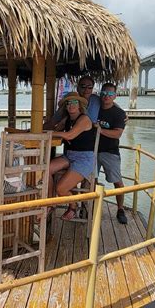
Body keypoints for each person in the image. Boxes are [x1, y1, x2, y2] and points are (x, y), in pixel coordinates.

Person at [48, 92, 96, 221]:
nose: (71, 105)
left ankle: (73, 207)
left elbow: (69, 135)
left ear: (80, 105)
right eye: (68, 103)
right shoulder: (67, 119)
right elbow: (56, 128)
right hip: (69, 155)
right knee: (46, 169)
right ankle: (50, 202)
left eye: (74, 103)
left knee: (61, 189)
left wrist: (53, 133)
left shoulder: (84, 119)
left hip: (84, 158)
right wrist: (48, 129)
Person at [97, 83, 128, 224]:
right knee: (91, 180)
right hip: (92, 150)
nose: (106, 97)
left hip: (110, 151)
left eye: (110, 94)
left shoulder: (119, 113)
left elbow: (117, 134)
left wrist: (100, 130)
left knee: (117, 182)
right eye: (104, 93)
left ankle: (120, 209)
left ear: (115, 96)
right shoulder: (94, 108)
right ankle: (89, 206)